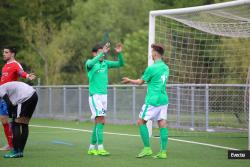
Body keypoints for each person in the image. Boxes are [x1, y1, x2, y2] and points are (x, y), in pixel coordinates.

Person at [122, 43, 169, 159]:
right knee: (162, 123)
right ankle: (163, 152)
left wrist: (129, 80)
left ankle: (147, 149)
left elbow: (140, 82)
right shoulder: (166, 67)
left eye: (152, 52)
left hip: (153, 100)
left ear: (155, 54)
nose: (151, 54)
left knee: (141, 122)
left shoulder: (152, 68)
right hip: (164, 99)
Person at [86, 43, 124, 156]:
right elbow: (92, 62)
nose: (103, 54)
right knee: (101, 120)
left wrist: (119, 53)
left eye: (103, 52)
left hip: (104, 96)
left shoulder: (106, 63)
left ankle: (91, 148)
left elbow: (120, 64)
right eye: (99, 52)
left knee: (99, 122)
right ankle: (100, 147)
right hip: (95, 96)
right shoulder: (89, 63)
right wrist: (103, 52)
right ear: (94, 53)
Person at [0, 46, 36, 151]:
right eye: (3, 52)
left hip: (10, 97)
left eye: (6, 52)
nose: (4, 54)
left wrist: (27, 76)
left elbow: (20, 72)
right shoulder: (4, 66)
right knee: (3, 120)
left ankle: (13, 144)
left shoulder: (15, 64)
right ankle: (11, 143)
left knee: (10, 121)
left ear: (12, 54)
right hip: (2, 95)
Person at [0, 81, 38, 158]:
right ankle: (20, 152)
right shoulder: (5, 88)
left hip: (25, 97)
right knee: (24, 124)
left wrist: (11, 116)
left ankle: (15, 151)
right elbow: (12, 105)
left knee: (15, 124)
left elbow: (9, 104)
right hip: (34, 95)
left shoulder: (0, 89)